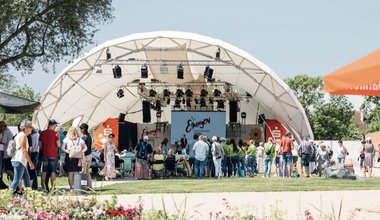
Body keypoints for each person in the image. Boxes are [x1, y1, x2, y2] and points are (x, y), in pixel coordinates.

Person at [10, 120, 35, 195]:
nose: (32, 129)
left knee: (27, 179)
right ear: (26, 128)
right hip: (19, 160)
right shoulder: (23, 135)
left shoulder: (20, 135)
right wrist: (30, 162)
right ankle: (7, 195)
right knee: (16, 180)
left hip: (20, 160)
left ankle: (29, 195)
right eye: (30, 127)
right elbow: (24, 150)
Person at [61, 127, 87, 191]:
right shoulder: (80, 139)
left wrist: (69, 152)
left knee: (70, 173)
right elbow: (86, 148)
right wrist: (80, 152)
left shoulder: (66, 139)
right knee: (76, 172)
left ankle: (71, 187)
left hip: (69, 157)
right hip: (77, 158)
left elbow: (62, 148)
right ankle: (76, 186)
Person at [39, 119, 60, 192]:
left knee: (44, 171)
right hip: (53, 154)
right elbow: (58, 145)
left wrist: (45, 148)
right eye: (55, 125)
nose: (56, 127)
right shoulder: (56, 134)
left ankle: (43, 187)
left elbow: (40, 145)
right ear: (52, 125)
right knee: (53, 172)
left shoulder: (42, 133)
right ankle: (53, 187)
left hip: (45, 154)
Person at [79, 123, 93, 189]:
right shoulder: (89, 136)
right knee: (87, 172)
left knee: (84, 171)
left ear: (83, 129)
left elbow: (82, 146)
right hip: (90, 154)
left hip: (86, 155)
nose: (80, 130)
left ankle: (84, 186)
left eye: (81, 129)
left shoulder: (84, 137)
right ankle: (89, 185)